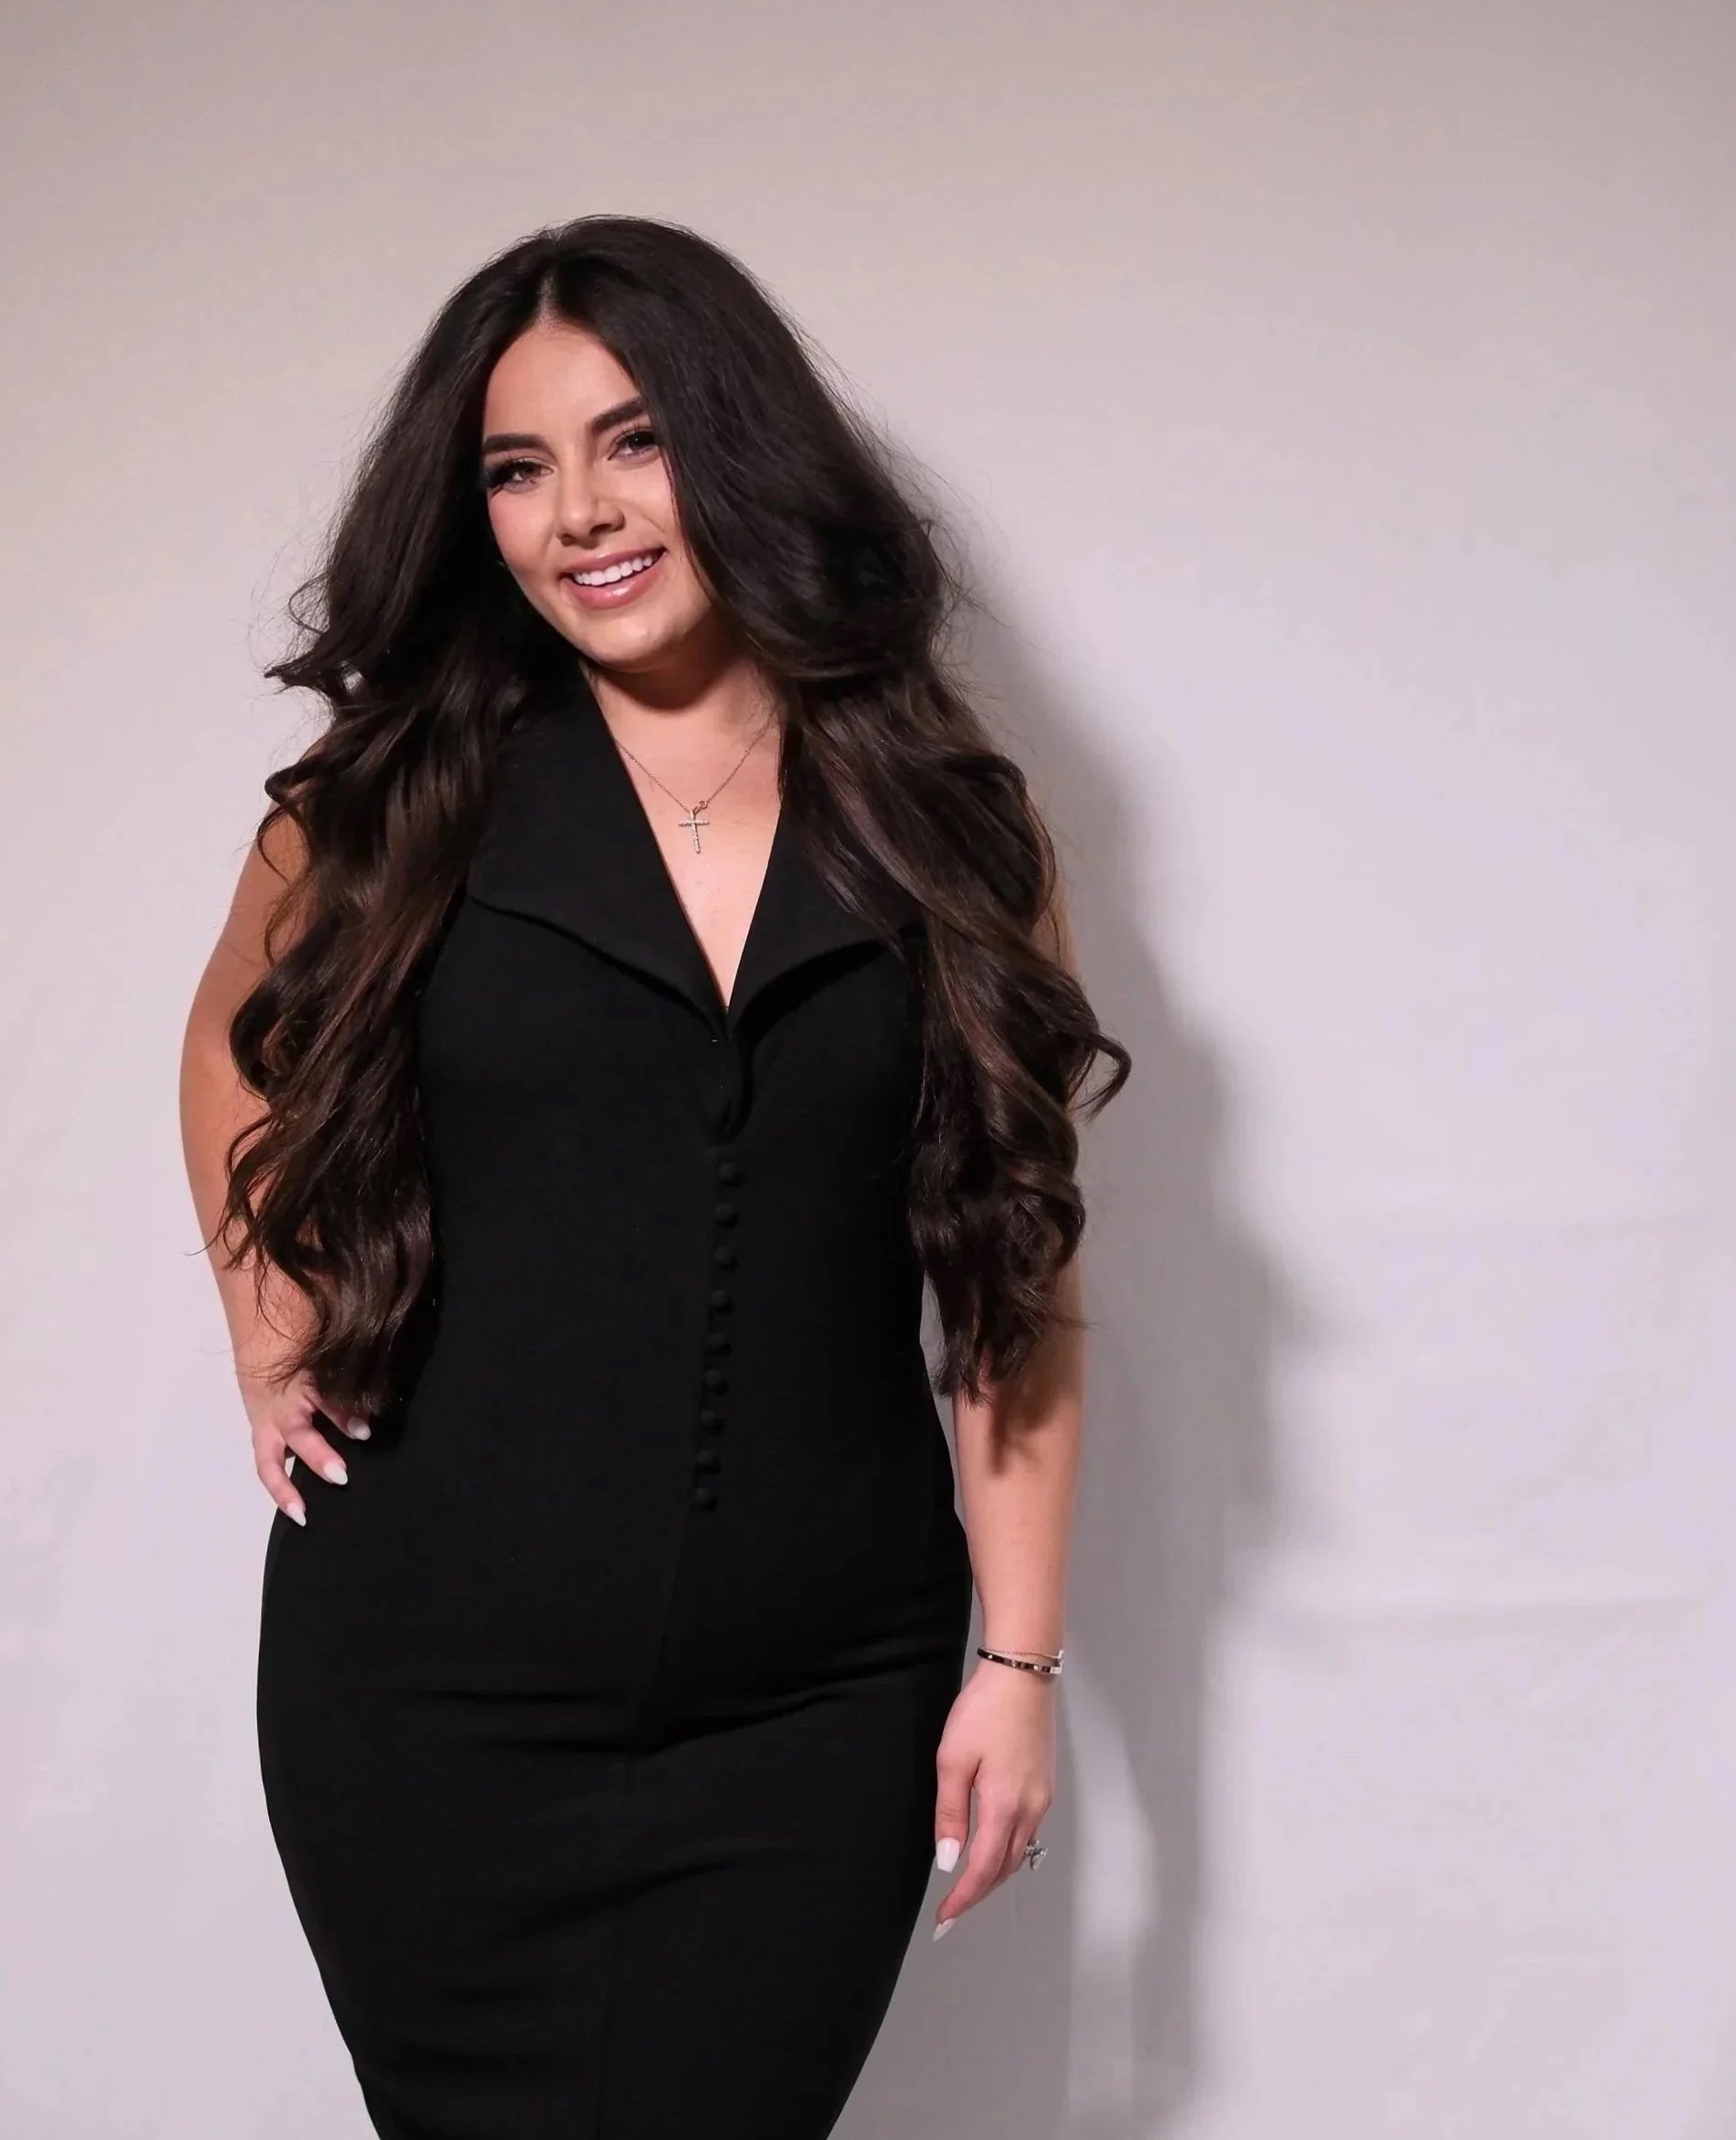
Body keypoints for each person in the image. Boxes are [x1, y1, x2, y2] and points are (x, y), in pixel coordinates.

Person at [178, 215, 1130, 2140]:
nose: (577, 514)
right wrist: (261, 1323)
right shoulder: (381, 807)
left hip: (813, 1708)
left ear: (740, 451)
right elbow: (225, 1049)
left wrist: (1014, 1662)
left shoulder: (949, 831)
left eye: (632, 442)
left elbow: (1007, 1264)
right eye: (515, 470)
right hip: (427, 1692)